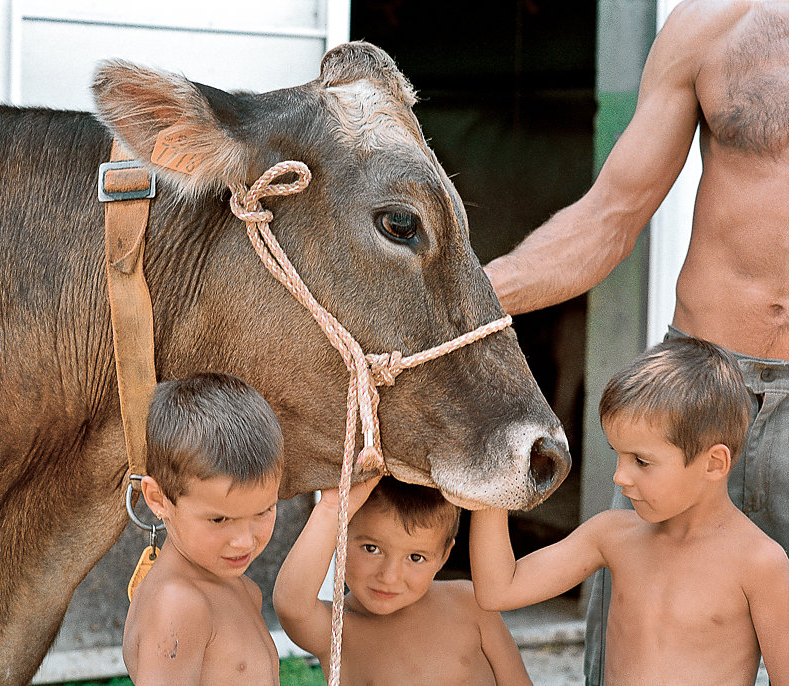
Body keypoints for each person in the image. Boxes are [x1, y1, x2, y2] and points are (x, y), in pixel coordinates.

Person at [481, 2, 789, 681]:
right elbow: (611, 212)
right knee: (635, 642)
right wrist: (463, 306)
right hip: (696, 390)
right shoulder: (712, 24)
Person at [469, 337, 789, 685]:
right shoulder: (612, 535)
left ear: (714, 463)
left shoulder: (760, 564)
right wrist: (493, 476)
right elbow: (500, 589)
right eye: (618, 454)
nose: (619, 476)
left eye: (641, 461)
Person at [274, 476, 532, 686]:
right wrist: (331, 509)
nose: (389, 576)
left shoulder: (469, 604)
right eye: (371, 548)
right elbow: (291, 605)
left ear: (444, 557)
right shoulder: (339, 631)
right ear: (338, 538)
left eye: (416, 557)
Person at [121, 372, 284, 686]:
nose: (244, 541)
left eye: (263, 511)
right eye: (219, 520)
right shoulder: (178, 605)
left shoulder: (243, 589)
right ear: (158, 499)